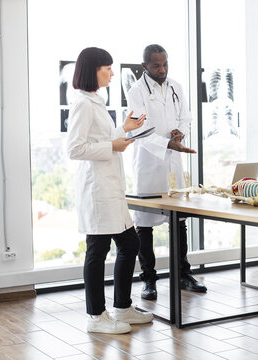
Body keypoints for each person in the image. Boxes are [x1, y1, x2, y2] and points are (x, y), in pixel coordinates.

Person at [66, 47, 153, 334]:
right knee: (98, 249)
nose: (112, 73)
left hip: (109, 186)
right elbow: (75, 149)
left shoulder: (95, 101)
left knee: (129, 244)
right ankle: (96, 317)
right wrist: (112, 145)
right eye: (107, 68)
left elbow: (103, 140)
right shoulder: (82, 103)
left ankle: (122, 307)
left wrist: (123, 130)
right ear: (93, 70)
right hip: (97, 189)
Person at [127, 44, 206, 300]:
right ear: (144, 67)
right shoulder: (136, 91)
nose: (162, 70)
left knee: (179, 221)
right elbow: (138, 131)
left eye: (165, 64)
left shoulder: (176, 87)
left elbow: (186, 118)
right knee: (145, 225)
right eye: (156, 66)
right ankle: (148, 280)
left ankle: (183, 274)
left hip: (173, 161)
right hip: (148, 164)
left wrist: (180, 132)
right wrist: (166, 143)